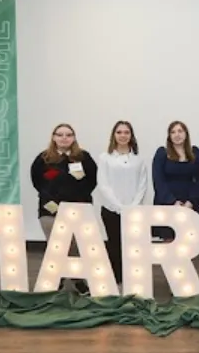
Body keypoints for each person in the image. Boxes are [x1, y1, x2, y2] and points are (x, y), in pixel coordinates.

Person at [30, 123, 97, 294]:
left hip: (78, 210)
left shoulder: (84, 158)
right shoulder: (43, 159)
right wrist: (53, 202)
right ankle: (71, 281)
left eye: (68, 134)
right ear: (53, 137)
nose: (64, 138)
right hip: (50, 212)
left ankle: (62, 280)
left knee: (75, 246)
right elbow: (37, 182)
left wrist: (79, 201)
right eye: (60, 135)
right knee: (57, 246)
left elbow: (92, 181)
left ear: (74, 137)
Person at [97, 121, 147, 289]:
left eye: (126, 132)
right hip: (111, 210)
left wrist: (133, 206)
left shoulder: (138, 160)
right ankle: (116, 281)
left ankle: (132, 280)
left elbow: (142, 184)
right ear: (114, 135)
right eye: (119, 132)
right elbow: (103, 184)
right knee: (115, 245)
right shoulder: (105, 158)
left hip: (134, 211)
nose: (123, 135)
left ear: (131, 136)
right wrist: (119, 206)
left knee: (133, 247)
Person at [152, 121, 199, 241]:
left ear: (186, 134)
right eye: (173, 132)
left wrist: (190, 202)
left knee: (188, 243)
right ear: (169, 136)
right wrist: (173, 202)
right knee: (169, 244)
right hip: (167, 203)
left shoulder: (195, 153)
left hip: (189, 204)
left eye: (180, 131)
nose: (177, 135)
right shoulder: (162, 153)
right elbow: (158, 180)